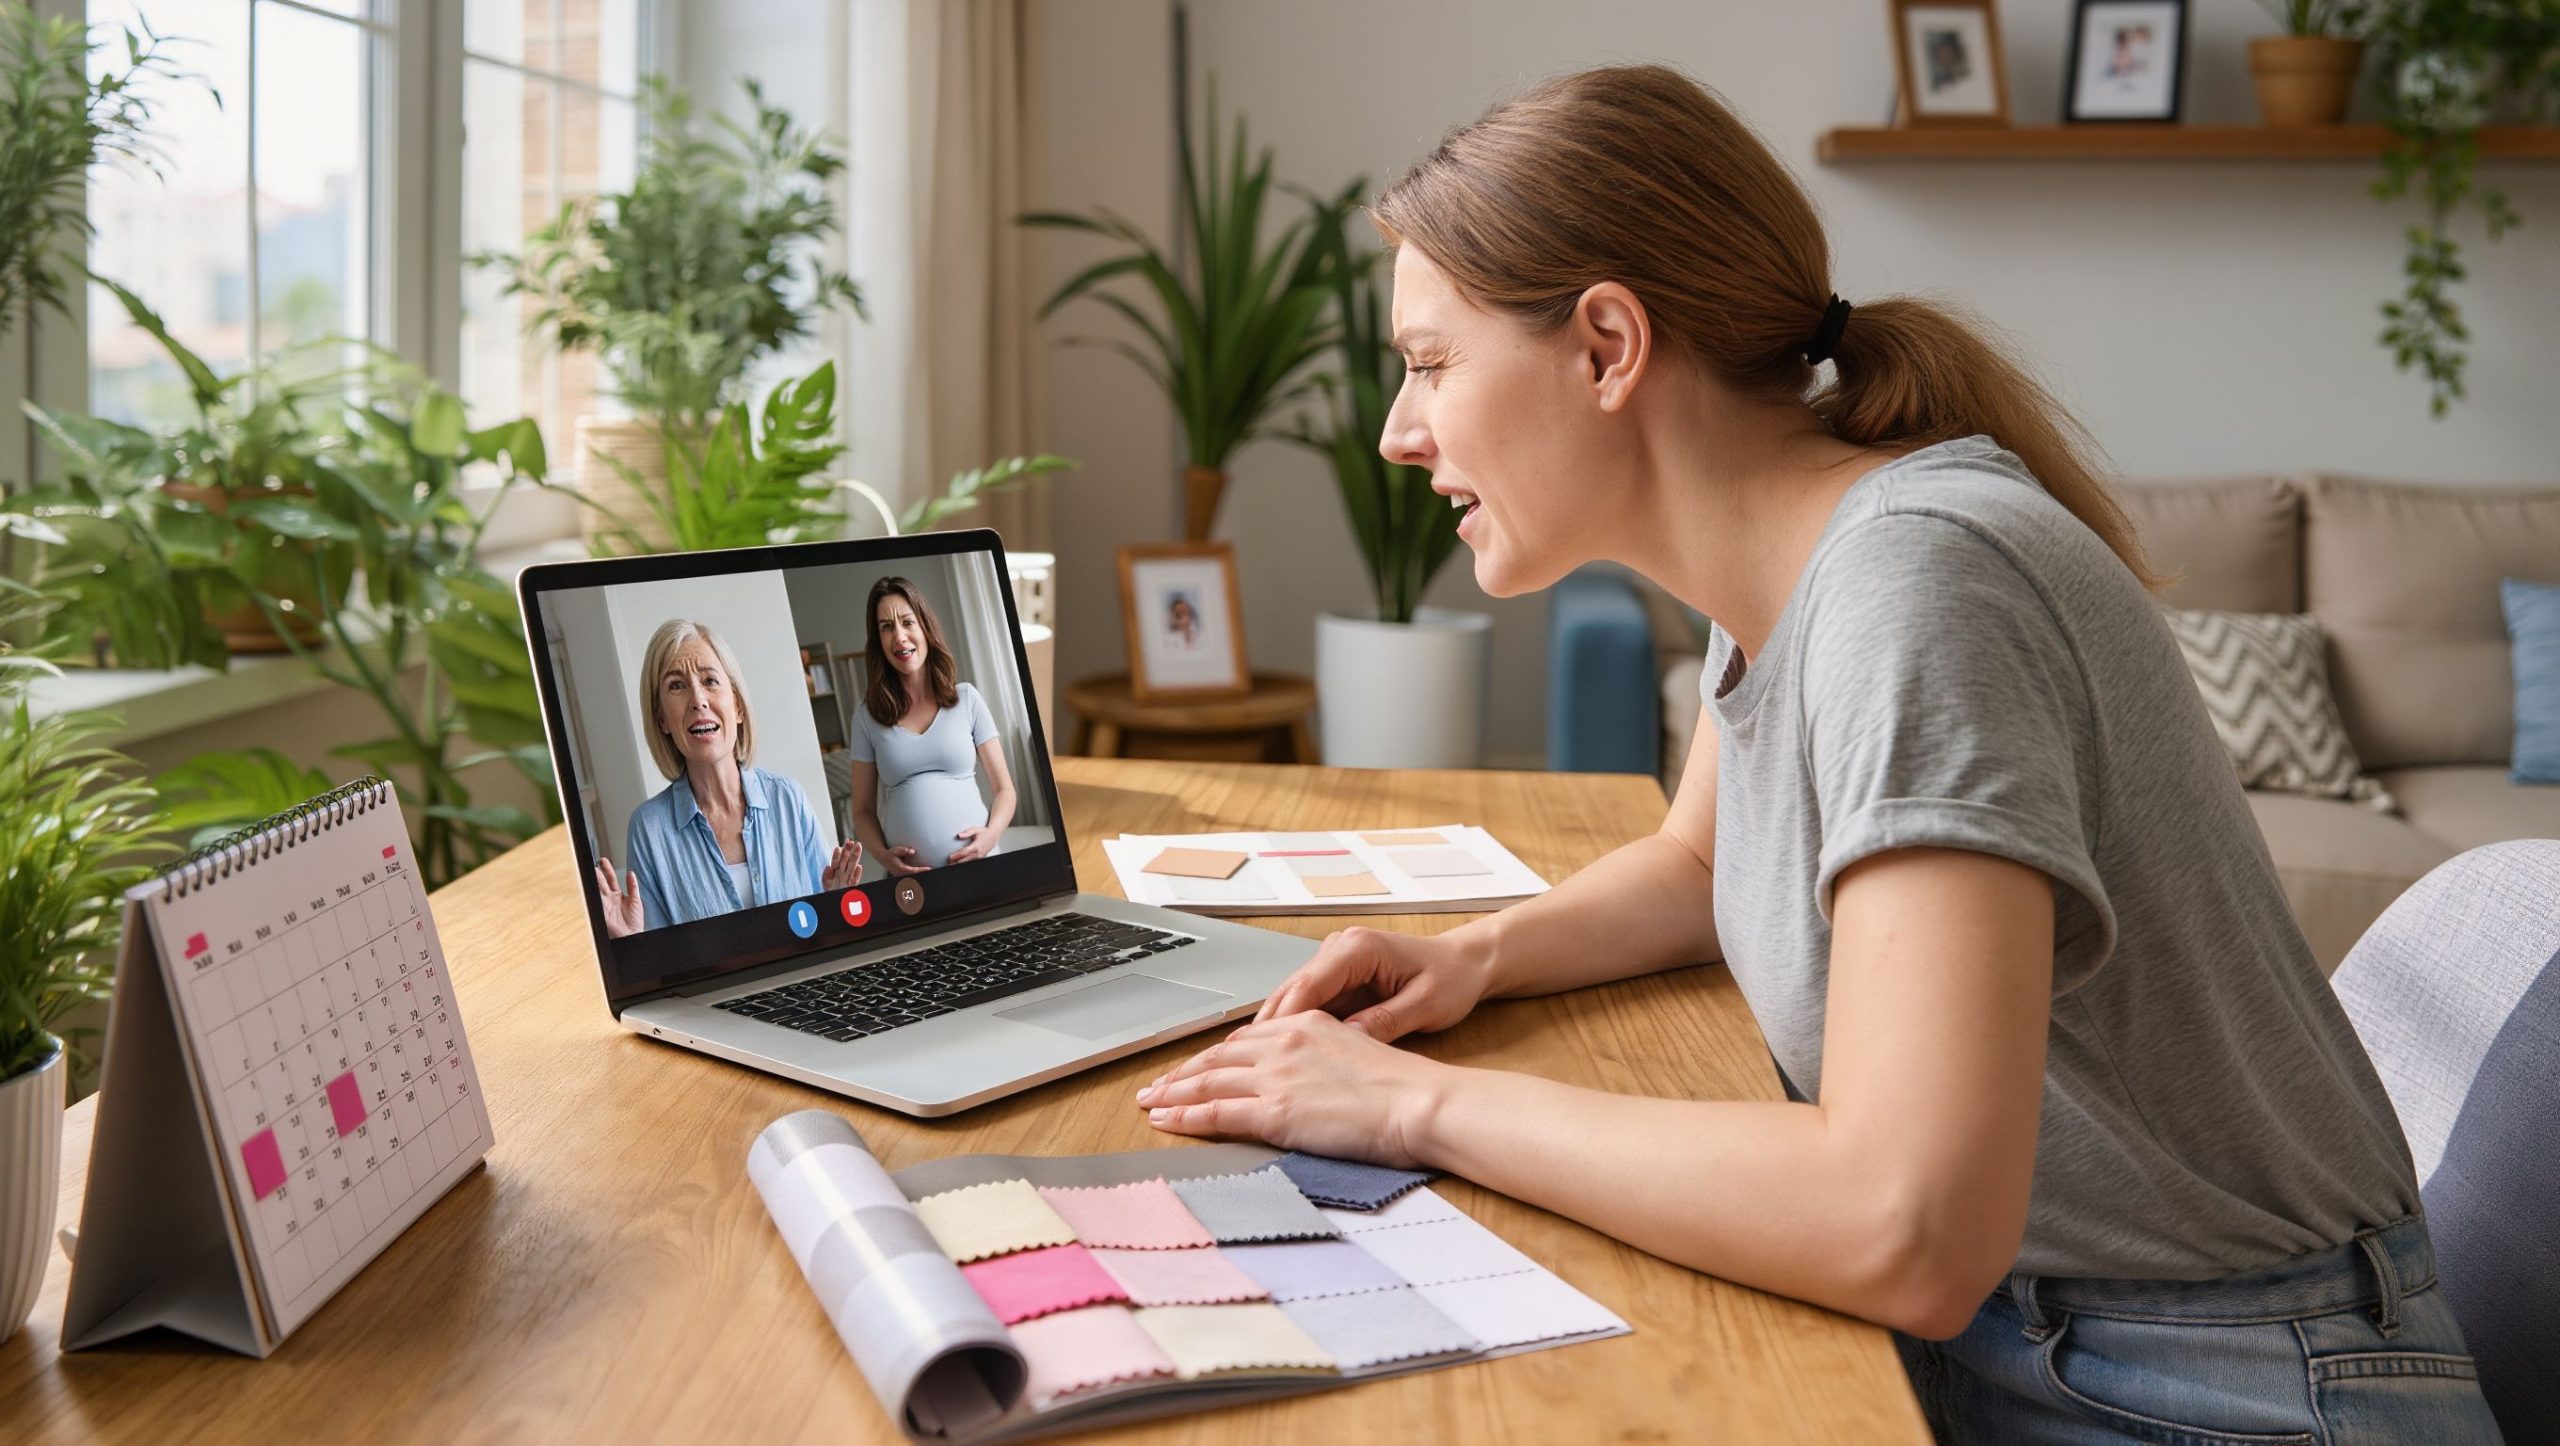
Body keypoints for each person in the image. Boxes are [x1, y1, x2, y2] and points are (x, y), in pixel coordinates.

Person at [1132, 65, 2500, 1443]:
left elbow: (1905, 1221)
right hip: (2043, 1335)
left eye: (1430, 363)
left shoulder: (1917, 585)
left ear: (1608, 343)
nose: (1399, 430)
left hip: (2212, 1385)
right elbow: (1698, 860)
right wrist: (1472, 957)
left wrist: (1419, 1106)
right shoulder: (1795, 567)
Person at [592, 618, 862, 937]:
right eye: (676, 685)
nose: (698, 700)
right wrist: (630, 940)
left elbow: (827, 927)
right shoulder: (648, 828)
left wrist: (836, 903)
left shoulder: (788, 798)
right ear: (661, 718)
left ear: (738, 707)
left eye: (710, 681)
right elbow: (662, 966)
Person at [846, 577, 1018, 873]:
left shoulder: (967, 699)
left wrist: (990, 836)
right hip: (912, 887)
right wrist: (885, 858)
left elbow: (1005, 789)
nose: (899, 636)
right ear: (879, 642)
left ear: (925, 627)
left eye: (907, 622)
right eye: (887, 627)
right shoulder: (867, 716)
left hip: (980, 866)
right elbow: (861, 811)